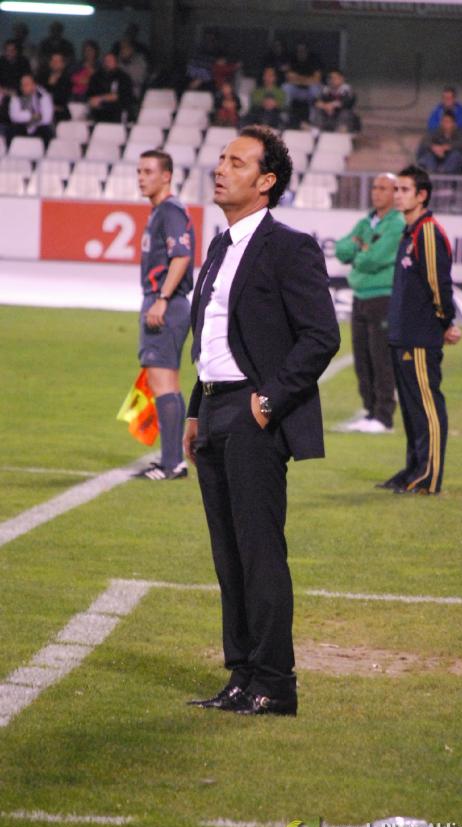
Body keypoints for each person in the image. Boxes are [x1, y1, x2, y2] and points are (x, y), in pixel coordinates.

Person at [184, 125, 340, 716]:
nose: (221, 168)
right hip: (214, 409)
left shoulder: (289, 246)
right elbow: (213, 339)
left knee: (259, 552)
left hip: (254, 414)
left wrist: (268, 402)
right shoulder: (219, 245)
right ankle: (241, 675)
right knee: (229, 556)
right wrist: (196, 410)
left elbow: (321, 336)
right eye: (222, 158)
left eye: (237, 162)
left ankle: (275, 683)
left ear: (266, 180)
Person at [378, 165, 462, 496]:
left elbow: (438, 283)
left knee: (427, 408)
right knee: (413, 410)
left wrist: (445, 322)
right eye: (396, 189)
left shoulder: (427, 231)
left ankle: (429, 476)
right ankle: (413, 470)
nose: (397, 195)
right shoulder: (409, 231)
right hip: (403, 335)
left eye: (404, 190)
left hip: (420, 338)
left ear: (422, 195)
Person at [134, 150, 195, 481]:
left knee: (163, 383)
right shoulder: (162, 211)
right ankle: (172, 460)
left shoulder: (169, 211)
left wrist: (162, 299)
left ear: (166, 176)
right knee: (167, 382)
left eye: (148, 171)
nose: (141, 178)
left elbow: (181, 256)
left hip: (165, 304)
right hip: (167, 303)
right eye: (139, 171)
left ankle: (172, 463)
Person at [335, 173, 405, 433]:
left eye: (383, 188)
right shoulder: (366, 222)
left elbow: (375, 258)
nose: (376, 192)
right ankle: (370, 412)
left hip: (383, 297)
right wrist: (361, 250)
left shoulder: (396, 224)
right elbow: (341, 249)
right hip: (360, 296)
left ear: (395, 193)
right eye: (375, 187)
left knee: (381, 358)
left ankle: (384, 417)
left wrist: (359, 252)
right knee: (362, 359)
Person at [87, 52, 134, 123]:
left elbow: (119, 96)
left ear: (116, 63)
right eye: (105, 61)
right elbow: (90, 94)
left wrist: (100, 98)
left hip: (117, 111)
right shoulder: (96, 77)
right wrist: (92, 100)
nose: (107, 63)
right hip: (99, 111)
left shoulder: (123, 77)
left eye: (110, 61)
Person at [9, 72, 54, 146]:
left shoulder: (43, 95)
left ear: (34, 85)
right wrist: (32, 116)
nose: (24, 87)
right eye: (22, 85)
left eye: (27, 84)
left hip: (39, 126)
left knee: (47, 130)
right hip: (23, 126)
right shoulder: (16, 96)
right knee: (13, 129)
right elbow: (14, 116)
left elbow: (47, 118)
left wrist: (27, 118)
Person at [417, 110, 462, 174]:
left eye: (448, 122)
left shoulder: (459, 133)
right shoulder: (436, 131)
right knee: (428, 155)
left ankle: (443, 173)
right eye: (444, 121)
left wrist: (447, 147)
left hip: (451, 164)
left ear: (454, 123)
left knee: (456, 155)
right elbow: (425, 141)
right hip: (436, 159)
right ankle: (433, 174)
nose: (445, 124)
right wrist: (434, 148)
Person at [38, 52, 71, 123]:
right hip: (43, 112)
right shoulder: (42, 78)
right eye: (52, 60)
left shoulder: (67, 80)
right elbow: (39, 96)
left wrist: (51, 86)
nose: (54, 63)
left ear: (63, 64)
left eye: (57, 61)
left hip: (61, 114)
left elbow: (62, 99)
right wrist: (49, 85)